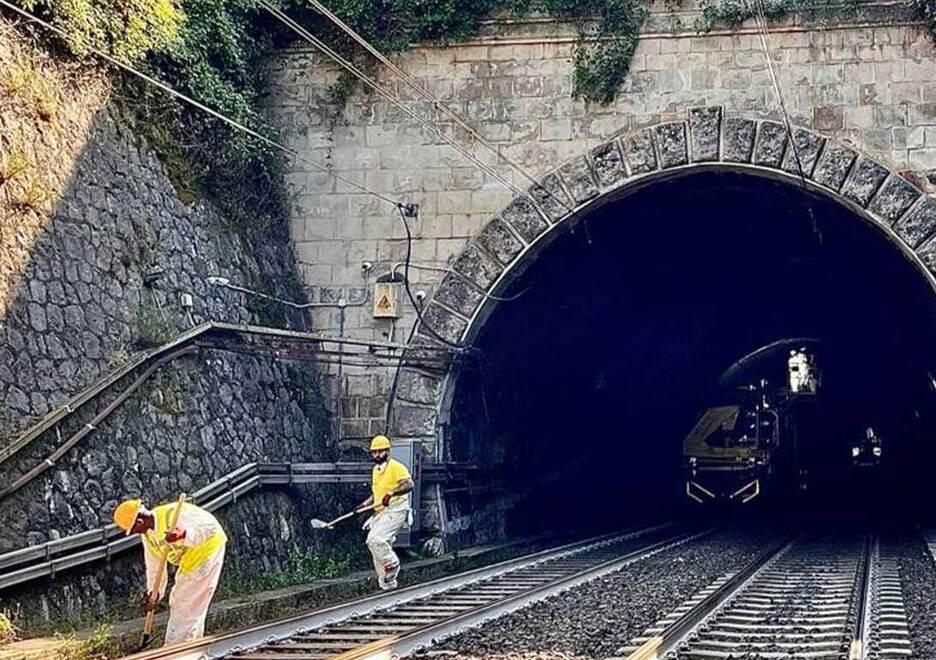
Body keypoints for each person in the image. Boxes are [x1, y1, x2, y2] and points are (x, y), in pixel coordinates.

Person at [112, 498, 227, 645]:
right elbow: (154, 566)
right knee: (189, 604)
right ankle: (189, 647)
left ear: (139, 522)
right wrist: (154, 594)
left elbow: (211, 528)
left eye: (133, 529)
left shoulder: (172, 514)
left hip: (206, 551)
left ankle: (175, 648)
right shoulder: (148, 537)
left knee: (184, 602)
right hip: (189, 559)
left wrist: (185, 533)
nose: (135, 533)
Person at [359, 435, 414, 591]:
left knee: (375, 540)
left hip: (396, 510)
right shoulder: (376, 471)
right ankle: (388, 586)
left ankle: (393, 563)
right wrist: (363, 505)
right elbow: (376, 493)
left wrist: (391, 493)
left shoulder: (396, 467)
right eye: (374, 452)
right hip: (381, 513)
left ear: (387, 451)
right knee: (378, 548)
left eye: (380, 451)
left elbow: (409, 484)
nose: (377, 455)